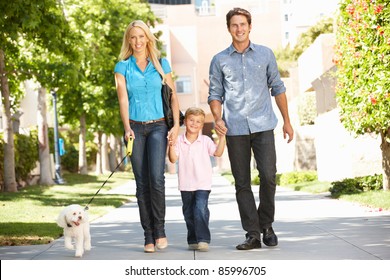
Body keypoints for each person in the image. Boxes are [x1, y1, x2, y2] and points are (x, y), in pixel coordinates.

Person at [208, 7, 294, 250]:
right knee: (242, 182)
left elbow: (278, 88)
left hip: (264, 125)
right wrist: (217, 117)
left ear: (249, 26)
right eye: (234, 25)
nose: (239, 29)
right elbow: (215, 94)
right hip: (235, 129)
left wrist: (287, 121)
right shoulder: (219, 60)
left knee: (268, 176)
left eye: (243, 24)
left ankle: (266, 224)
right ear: (229, 28)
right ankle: (253, 233)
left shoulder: (265, 54)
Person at [114, 20, 181, 253]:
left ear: (148, 39)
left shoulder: (161, 64)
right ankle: (148, 235)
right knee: (141, 182)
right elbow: (123, 99)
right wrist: (126, 127)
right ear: (128, 40)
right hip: (135, 127)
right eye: (133, 37)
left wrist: (176, 126)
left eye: (141, 36)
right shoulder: (122, 67)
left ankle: (160, 230)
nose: (137, 41)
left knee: (157, 178)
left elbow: (173, 96)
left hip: (158, 126)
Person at [168, 107, 226, 252]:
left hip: (202, 183)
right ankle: (193, 239)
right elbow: (173, 158)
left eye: (199, 122)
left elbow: (217, 153)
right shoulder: (179, 141)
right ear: (185, 121)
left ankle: (203, 239)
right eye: (191, 120)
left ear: (202, 125)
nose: (194, 124)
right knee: (188, 213)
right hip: (186, 184)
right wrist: (170, 145)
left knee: (200, 209)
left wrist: (222, 137)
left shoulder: (205, 140)